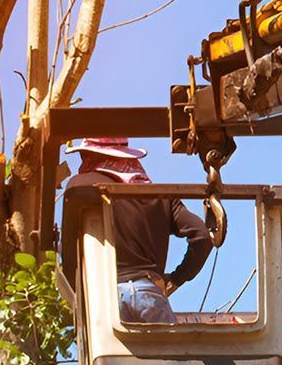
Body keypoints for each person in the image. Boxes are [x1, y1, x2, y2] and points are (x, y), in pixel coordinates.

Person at [66, 137, 212, 324]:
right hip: (149, 291)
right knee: (169, 344)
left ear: (92, 156)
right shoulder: (161, 196)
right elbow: (202, 236)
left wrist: (77, 296)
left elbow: (69, 254)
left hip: (105, 295)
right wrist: (176, 279)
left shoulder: (81, 185)